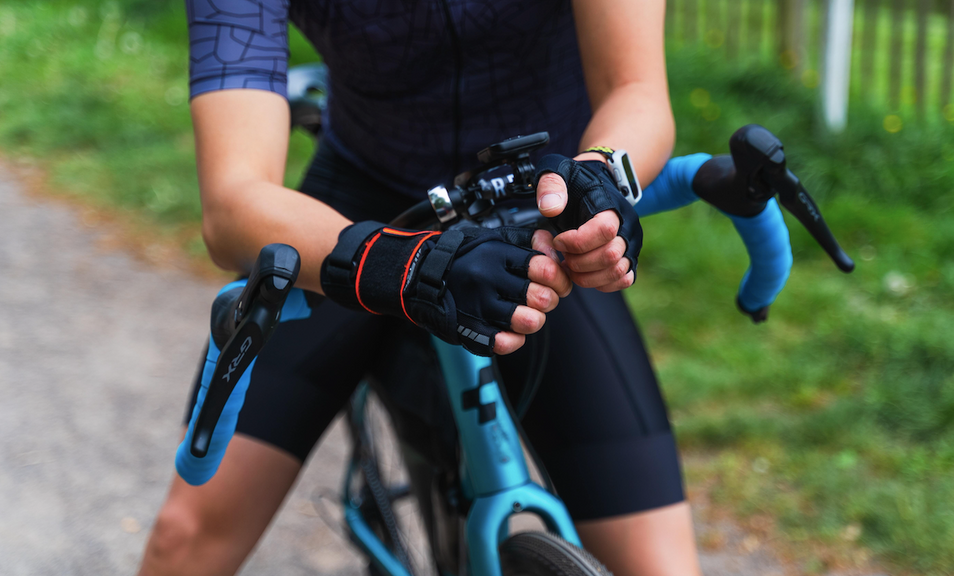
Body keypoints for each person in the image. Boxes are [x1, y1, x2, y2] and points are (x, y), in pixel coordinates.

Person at [138, 1, 704, 575]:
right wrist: (406, 266)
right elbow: (231, 203)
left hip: (542, 200)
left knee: (661, 567)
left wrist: (602, 173)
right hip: (362, 205)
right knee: (184, 539)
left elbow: (636, 91)